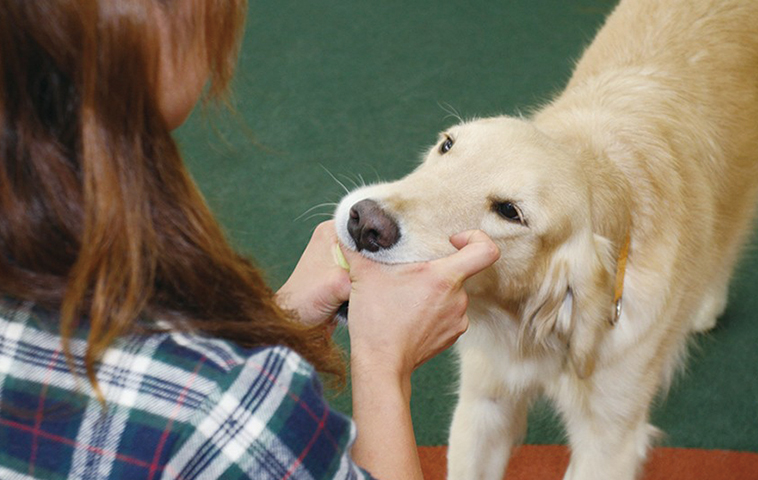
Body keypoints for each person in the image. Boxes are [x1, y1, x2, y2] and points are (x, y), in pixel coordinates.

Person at [0, 1, 499, 479]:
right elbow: (198, 409)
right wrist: (384, 364)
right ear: (143, 23)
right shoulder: (220, 407)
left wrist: (278, 320)